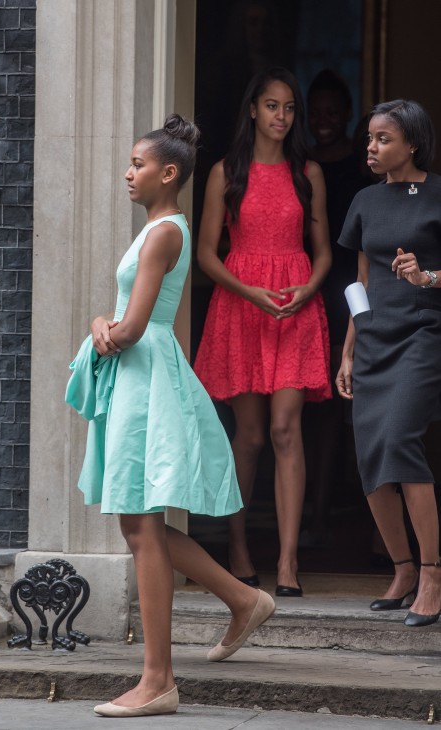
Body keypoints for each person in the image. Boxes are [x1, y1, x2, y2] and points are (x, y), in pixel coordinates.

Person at [68, 114, 276, 719]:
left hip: (145, 377)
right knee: (141, 525)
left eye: (137, 164)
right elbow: (126, 322)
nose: (128, 173)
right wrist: (106, 326)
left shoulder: (164, 233)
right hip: (140, 378)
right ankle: (242, 600)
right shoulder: (158, 229)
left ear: (168, 173)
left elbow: (130, 328)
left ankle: (158, 679)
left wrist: (98, 327)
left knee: (139, 525)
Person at [194, 67, 332, 596]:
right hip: (243, 306)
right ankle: (240, 548)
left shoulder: (308, 173)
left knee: (284, 430)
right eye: (272, 105)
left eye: (289, 107)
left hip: (295, 307)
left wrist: (307, 290)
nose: (282, 116)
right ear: (253, 109)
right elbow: (207, 253)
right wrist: (250, 293)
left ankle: (288, 563)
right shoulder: (226, 172)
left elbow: (323, 255)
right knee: (249, 437)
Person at [336, 99, 441, 626]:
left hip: (423, 334)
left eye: (383, 139)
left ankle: (432, 573)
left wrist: (427, 278)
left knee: (399, 441)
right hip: (375, 338)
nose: (372, 148)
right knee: (371, 457)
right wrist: (349, 351)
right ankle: (401, 568)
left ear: (412, 143)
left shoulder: (439, 194)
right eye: (371, 139)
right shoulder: (364, 201)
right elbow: (363, 281)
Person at [301, 69, 369, 549]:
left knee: (353, 410)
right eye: (316, 113)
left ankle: (359, 525)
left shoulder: (363, 170)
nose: (323, 121)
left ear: (346, 115)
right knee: (315, 411)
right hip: (310, 295)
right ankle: (315, 517)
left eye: (332, 112)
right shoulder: (300, 166)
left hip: (357, 291)